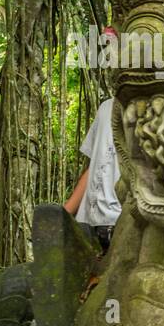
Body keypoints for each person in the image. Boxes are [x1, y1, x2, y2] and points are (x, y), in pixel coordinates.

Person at [63, 97, 121, 252]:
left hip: (122, 223)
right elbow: (95, 166)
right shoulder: (106, 107)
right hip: (87, 224)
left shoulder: (155, 108)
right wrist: (64, 215)